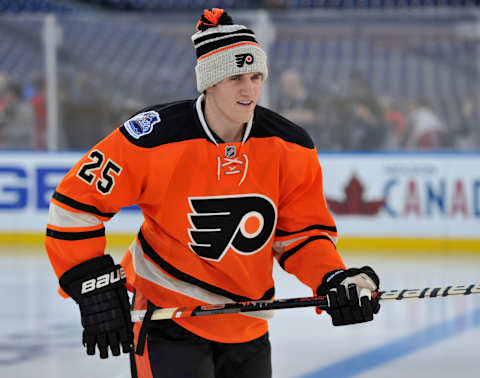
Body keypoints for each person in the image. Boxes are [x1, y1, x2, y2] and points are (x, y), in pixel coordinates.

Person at [45, 8, 381, 378]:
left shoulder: (290, 145)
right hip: (168, 320)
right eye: (235, 76)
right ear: (209, 81)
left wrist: (333, 278)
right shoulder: (153, 137)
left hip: (248, 324)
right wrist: (87, 279)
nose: (249, 89)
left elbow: (302, 236)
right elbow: (74, 204)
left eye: (256, 76)